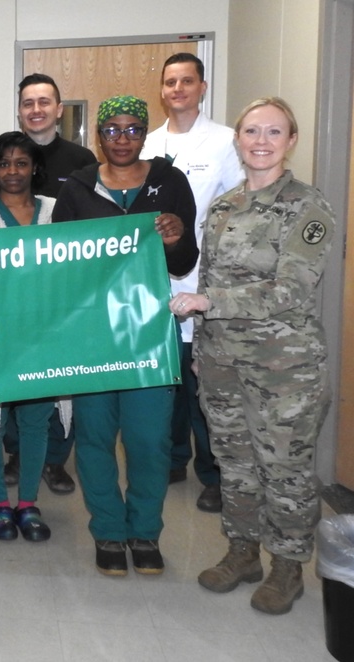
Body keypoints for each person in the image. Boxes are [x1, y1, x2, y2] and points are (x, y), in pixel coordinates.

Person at [171, 97, 334, 615]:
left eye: (273, 132)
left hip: (283, 369)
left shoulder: (308, 207)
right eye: (251, 132)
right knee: (234, 463)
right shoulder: (223, 206)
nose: (260, 141)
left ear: (291, 141)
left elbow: (292, 289)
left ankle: (288, 567)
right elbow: (212, 279)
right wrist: (202, 344)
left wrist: (209, 303)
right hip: (221, 361)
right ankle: (242, 552)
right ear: (238, 140)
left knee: (284, 469)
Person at [53, 95, 197, 577]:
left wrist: (176, 239)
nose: (122, 139)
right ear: (98, 136)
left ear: (144, 132)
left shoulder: (169, 181)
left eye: (132, 129)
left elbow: (184, 262)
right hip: (94, 334)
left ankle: (145, 531)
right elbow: (59, 263)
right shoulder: (76, 188)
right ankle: (109, 532)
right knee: (94, 437)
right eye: (112, 130)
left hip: (151, 331)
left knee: (149, 439)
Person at [141, 53, 245, 512]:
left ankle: (212, 472)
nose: (177, 89)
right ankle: (173, 458)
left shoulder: (225, 141)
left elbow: (236, 214)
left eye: (187, 81)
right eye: (170, 82)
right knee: (169, 372)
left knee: (205, 380)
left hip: (206, 280)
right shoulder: (145, 144)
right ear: (161, 90)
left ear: (203, 87)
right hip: (154, 280)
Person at [0, 132, 57, 541]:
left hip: (43, 335)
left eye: (21, 163)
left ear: (34, 167)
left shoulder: (57, 211)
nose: (12, 171)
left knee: (35, 421)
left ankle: (28, 503)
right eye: (4, 163)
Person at [16, 73, 99, 495]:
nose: (36, 109)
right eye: (28, 102)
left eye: (44, 101)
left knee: (62, 375)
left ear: (58, 109)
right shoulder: (5, 152)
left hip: (67, 288)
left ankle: (55, 460)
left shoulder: (82, 159)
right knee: (17, 372)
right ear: (19, 109)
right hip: (16, 287)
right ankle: (18, 452)